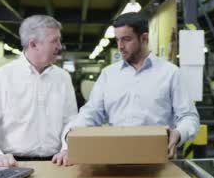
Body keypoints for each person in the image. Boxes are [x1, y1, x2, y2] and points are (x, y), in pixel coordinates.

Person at [54, 12, 199, 166]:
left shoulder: (170, 73)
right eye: (117, 40)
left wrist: (178, 133)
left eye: (126, 39)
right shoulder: (109, 75)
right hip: (115, 159)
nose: (120, 46)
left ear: (144, 38)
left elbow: (189, 117)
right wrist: (70, 145)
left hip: (157, 162)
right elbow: (91, 113)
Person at [0, 15, 77, 167]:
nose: (59, 46)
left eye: (59, 40)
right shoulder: (1, 77)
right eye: (54, 41)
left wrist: (67, 148)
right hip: (12, 163)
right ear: (33, 44)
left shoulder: (63, 78)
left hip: (55, 163)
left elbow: (70, 120)